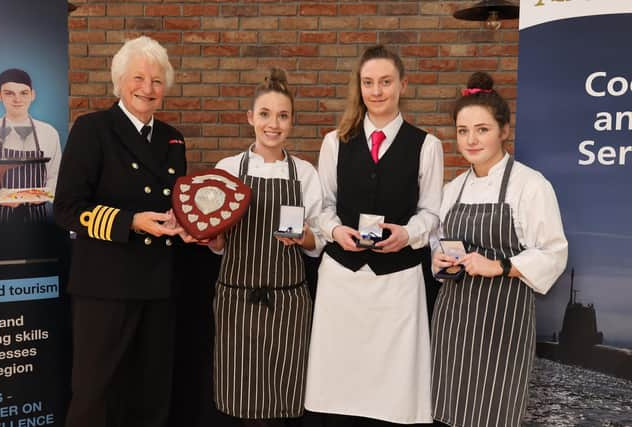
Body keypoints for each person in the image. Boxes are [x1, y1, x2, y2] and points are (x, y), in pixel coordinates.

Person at [305, 45, 443, 426]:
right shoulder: (335, 141)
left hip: (398, 282)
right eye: (368, 83)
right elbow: (323, 206)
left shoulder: (427, 145)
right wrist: (335, 230)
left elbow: (432, 212)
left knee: (394, 390)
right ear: (359, 86)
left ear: (403, 85)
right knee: (339, 382)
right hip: (342, 279)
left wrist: (408, 234)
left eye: (385, 82)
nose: (377, 91)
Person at [53, 36, 186, 427]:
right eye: (139, 78)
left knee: (151, 397)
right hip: (105, 288)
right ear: (119, 81)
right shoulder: (93, 129)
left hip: (159, 285)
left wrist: (186, 226)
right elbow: (67, 210)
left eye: (157, 81)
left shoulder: (172, 138)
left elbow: (174, 205)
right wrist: (130, 221)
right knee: (96, 396)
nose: (148, 88)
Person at [430, 72, 568, 427]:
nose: (471, 140)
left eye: (482, 129)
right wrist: (438, 258)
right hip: (453, 321)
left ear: (504, 130)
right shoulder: (453, 188)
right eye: (463, 131)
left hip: (502, 323)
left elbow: (554, 253)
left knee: (493, 414)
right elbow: (436, 240)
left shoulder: (530, 185)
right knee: (447, 412)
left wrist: (499, 266)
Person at [209, 68, 324, 427]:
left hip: (288, 304)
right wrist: (214, 240)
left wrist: (303, 236)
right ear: (250, 118)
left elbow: (318, 241)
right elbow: (219, 242)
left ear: (292, 121)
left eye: (283, 115)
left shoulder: (304, 173)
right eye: (265, 114)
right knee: (242, 401)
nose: (273, 124)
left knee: (282, 399)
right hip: (237, 301)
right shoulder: (227, 169)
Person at [0, 68, 61, 224]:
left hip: (38, 216)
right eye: (9, 93)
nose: (17, 99)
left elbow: (55, 176)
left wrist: (43, 196)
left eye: (23, 93)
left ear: (32, 95)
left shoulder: (48, 132)